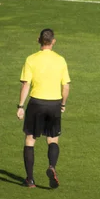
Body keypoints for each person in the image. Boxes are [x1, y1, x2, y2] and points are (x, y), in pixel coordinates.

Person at [16, 28, 71, 189]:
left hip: (36, 103)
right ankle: (52, 166)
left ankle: (30, 179)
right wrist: (62, 104)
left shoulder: (31, 59)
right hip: (54, 103)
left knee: (30, 139)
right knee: (52, 138)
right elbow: (66, 86)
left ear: (38, 40)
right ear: (53, 41)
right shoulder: (60, 60)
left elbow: (26, 84)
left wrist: (20, 106)